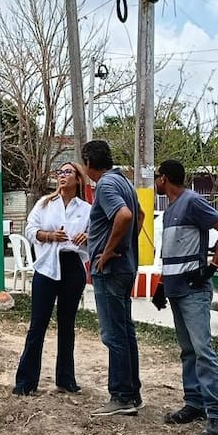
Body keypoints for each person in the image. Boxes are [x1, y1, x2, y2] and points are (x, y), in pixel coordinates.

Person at [152, 160, 218, 435]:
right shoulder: (169, 211)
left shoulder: (192, 202)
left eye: (157, 178)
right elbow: (170, 251)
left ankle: (216, 414)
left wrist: (211, 267)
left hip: (194, 290)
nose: (156, 182)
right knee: (188, 350)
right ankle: (194, 403)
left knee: (203, 351)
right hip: (176, 289)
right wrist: (162, 285)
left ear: (164, 178)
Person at [13, 162, 91, 396]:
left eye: (68, 172)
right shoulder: (45, 204)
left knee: (67, 325)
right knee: (38, 323)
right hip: (47, 267)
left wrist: (86, 236)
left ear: (78, 179)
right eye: (60, 172)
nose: (62, 176)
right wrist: (48, 236)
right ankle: (26, 382)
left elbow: (95, 233)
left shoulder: (86, 208)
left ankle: (66, 379)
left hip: (72, 266)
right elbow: (30, 229)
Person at [81, 139, 144, 416]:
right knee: (125, 331)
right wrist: (127, 244)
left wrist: (108, 251)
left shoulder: (106, 185)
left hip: (111, 270)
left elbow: (126, 215)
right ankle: (132, 392)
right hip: (126, 267)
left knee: (114, 334)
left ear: (87, 162)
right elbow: (139, 215)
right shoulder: (124, 182)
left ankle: (121, 396)